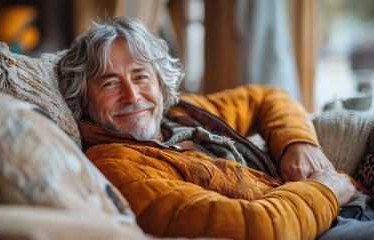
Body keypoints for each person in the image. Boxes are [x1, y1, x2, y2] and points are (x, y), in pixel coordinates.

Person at [58, 16, 372, 239]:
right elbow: (259, 229)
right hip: (322, 226)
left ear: (159, 80)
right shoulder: (117, 166)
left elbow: (266, 97)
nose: (133, 96)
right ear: (83, 99)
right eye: (110, 83)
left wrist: (298, 144)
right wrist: (326, 189)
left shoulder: (180, 113)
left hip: (340, 206)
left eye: (141, 76)